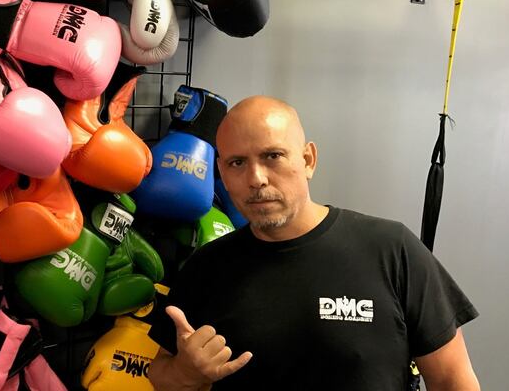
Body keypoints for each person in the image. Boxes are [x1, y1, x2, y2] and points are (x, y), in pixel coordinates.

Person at [147, 96, 480, 390]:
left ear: (308, 160)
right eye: (237, 163)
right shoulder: (207, 266)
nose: (256, 179)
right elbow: (160, 374)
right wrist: (186, 372)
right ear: (221, 170)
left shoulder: (392, 249)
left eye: (272, 156)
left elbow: (453, 380)